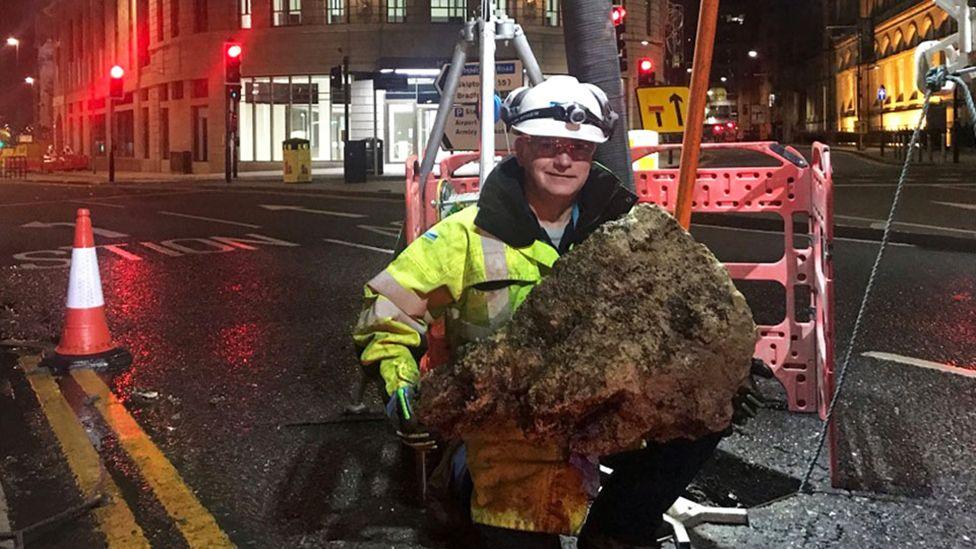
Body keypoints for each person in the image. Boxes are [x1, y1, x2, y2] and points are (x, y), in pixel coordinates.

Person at [353, 75, 723, 548]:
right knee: (523, 526)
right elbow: (386, 307)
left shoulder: (629, 235)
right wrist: (400, 384)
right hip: (505, 429)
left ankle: (616, 529)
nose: (565, 159)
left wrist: (717, 367)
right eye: (548, 144)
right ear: (521, 147)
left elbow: (680, 317)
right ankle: (458, 493)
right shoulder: (464, 235)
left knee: (711, 407)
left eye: (580, 147)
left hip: (599, 416)